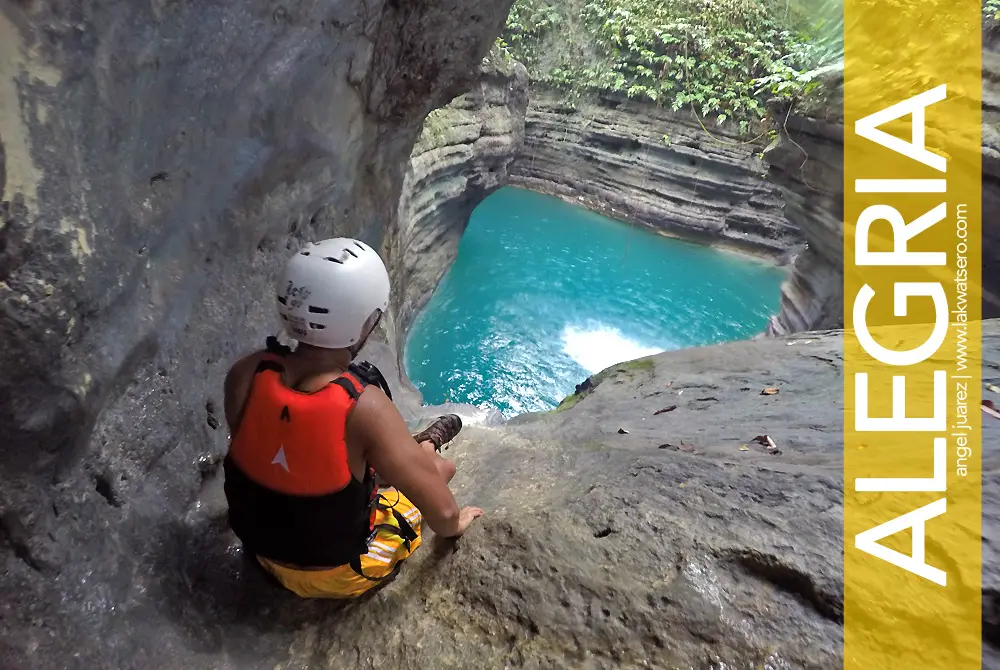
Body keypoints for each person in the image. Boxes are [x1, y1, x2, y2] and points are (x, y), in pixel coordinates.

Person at [221, 237, 484, 599]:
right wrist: (457, 522)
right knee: (439, 470)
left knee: (369, 466)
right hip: (338, 574)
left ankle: (409, 452)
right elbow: (441, 514)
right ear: (364, 323)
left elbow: (272, 449)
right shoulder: (364, 406)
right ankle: (423, 449)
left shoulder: (246, 373)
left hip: (262, 554)